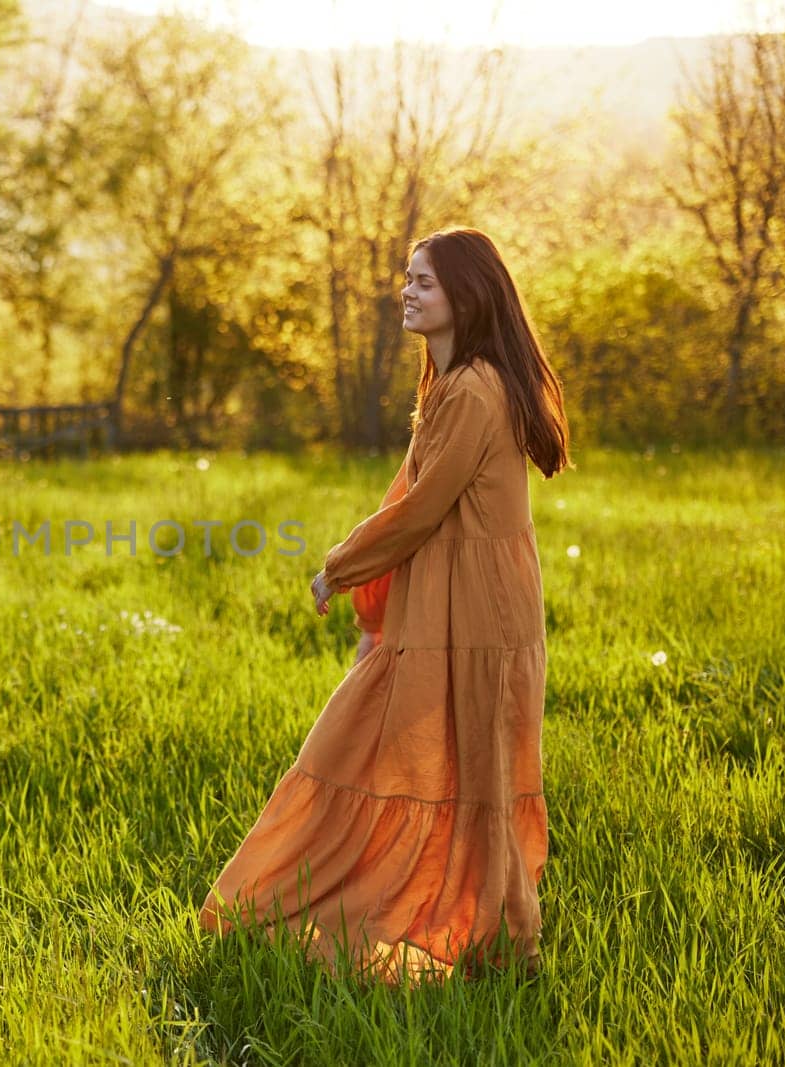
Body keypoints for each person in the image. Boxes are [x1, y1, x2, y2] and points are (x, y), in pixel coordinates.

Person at [198, 226, 572, 987]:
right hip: (444, 607)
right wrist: (374, 605)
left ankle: (492, 941)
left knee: (472, 772)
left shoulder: (473, 389)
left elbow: (419, 510)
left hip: (479, 618)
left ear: (465, 295)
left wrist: (339, 568)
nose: (408, 291)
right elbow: (405, 495)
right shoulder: (448, 385)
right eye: (408, 277)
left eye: (425, 281)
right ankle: (456, 930)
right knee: (405, 754)